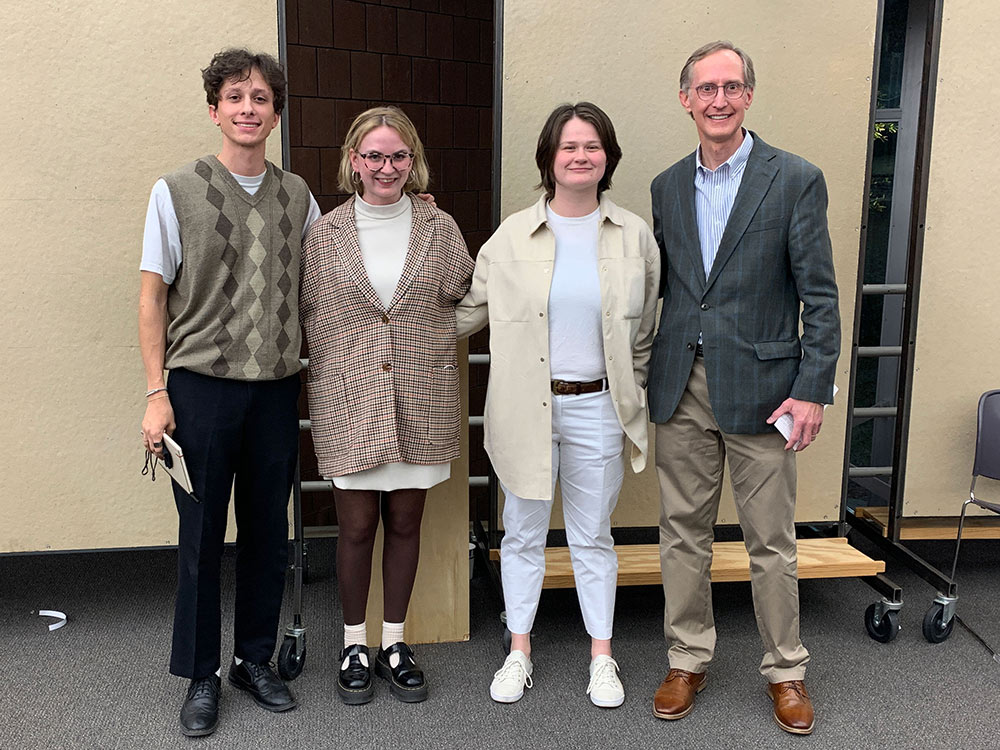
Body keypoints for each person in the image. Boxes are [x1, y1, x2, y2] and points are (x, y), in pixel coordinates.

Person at [647, 41, 840, 735]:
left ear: (748, 97)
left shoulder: (794, 178)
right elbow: (673, 290)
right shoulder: (666, 186)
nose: (719, 99)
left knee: (771, 541)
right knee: (682, 535)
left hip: (766, 390)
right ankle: (686, 657)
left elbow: (819, 295)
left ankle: (786, 669)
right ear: (686, 99)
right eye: (706, 88)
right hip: (682, 385)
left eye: (731, 87)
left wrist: (814, 388)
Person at [138, 49, 322, 737]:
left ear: (276, 113)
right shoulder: (176, 190)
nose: (250, 108)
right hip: (200, 390)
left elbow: (323, 277)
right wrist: (157, 392)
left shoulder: (297, 196)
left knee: (268, 536)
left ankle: (254, 659)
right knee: (201, 538)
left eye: (263, 98)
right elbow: (152, 297)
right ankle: (200, 675)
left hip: (275, 388)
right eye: (236, 96)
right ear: (214, 108)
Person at [457, 102, 660, 708]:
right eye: (569, 147)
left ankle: (603, 656)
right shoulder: (512, 236)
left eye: (592, 146)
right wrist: (392, 324)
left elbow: (646, 330)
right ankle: (518, 649)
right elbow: (467, 312)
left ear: (608, 158)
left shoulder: (633, 236)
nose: (580, 156)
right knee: (520, 534)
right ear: (549, 157)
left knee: (592, 536)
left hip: (598, 408)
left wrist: (634, 390)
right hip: (526, 410)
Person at [299, 106, 474, 705]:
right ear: (353, 161)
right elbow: (312, 315)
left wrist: (424, 341)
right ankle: (353, 642)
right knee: (355, 527)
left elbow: (465, 294)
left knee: (406, 521)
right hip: (350, 399)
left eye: (398, 156)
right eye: (373, 155)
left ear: (413, 160)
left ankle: (395, 642)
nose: (386, 167)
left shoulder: (439, 227)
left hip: (420, 398)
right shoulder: (324, 234)